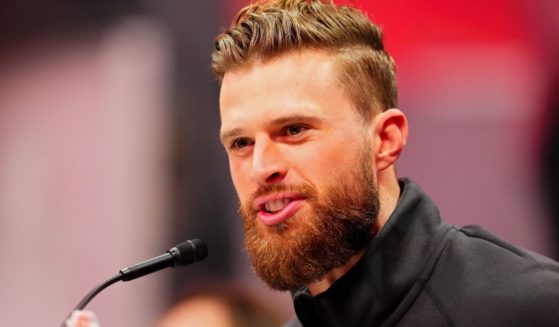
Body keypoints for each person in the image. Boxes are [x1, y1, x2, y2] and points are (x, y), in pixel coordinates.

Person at [212, 0, 559, 326]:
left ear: (385, 141)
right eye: (241, 143)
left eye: (294, 130)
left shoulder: (532, 306)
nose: (260, 167)